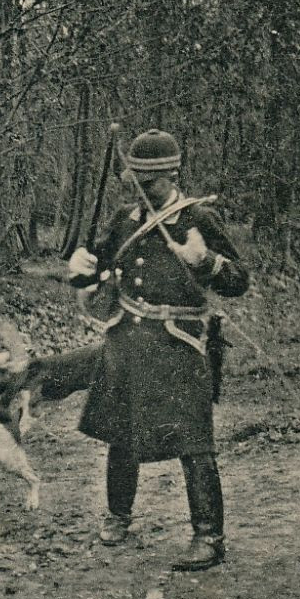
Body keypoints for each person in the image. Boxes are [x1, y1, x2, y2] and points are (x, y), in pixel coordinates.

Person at [68, 129, 250, 571]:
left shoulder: (198, 219)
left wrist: (205, 262)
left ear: (172, 175)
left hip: (178, 342)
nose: (141, 190)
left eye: (150, 182)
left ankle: (208, 536)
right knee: (121, 431)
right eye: (136, 181)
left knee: (194, 439)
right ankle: (118, 516)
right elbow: (97, 267)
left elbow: (239, 281)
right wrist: (78, 268)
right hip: (127, 338)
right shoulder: (124, 218)